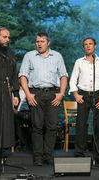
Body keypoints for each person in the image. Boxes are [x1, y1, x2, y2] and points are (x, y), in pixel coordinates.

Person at [19, 32, 68, 166]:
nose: (39, 44)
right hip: (36, 94)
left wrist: (61, 93)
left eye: (42, 41)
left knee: (52, 127)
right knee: (37, 126)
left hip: (53, 94)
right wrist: (28, 95)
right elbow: (22, 76)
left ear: (48, 42)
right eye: (37, 41)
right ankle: (38, 157)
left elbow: (63, 76)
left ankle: (48, 156)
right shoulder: (29, 56)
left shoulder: (57, 56)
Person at [69, 37, 99, 169]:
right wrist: (76, 94)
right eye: (85, 45)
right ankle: (80, 154)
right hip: (83, 95)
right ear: (83, 47)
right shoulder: (79, 62)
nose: (88, 46)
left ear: (95, 46)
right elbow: (72, 80)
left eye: (90, 44)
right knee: (81, 125)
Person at [0, 28, 19, 155]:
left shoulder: (10, 54)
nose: (7, 40)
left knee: (5, 120)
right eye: (4, 37)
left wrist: (16, 94)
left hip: (6, 90)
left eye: (8, 37)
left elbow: (14, 75)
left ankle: (1, 149)